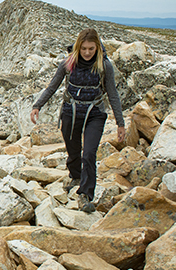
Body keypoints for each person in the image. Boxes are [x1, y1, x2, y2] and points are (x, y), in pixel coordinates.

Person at [29, 28, 126, 213]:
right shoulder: (68, 63)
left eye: (91, 48)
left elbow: (113, 94)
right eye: (83, 49)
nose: (87, 52)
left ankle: (85, 195)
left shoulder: (104, 66)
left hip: (94, 113)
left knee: (89, 153)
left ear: (97, 47)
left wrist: (120, 123)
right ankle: (75, 176)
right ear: (77, 47)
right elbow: (52, 86)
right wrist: (37, 105)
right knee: (73, 149)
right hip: (71, 111)